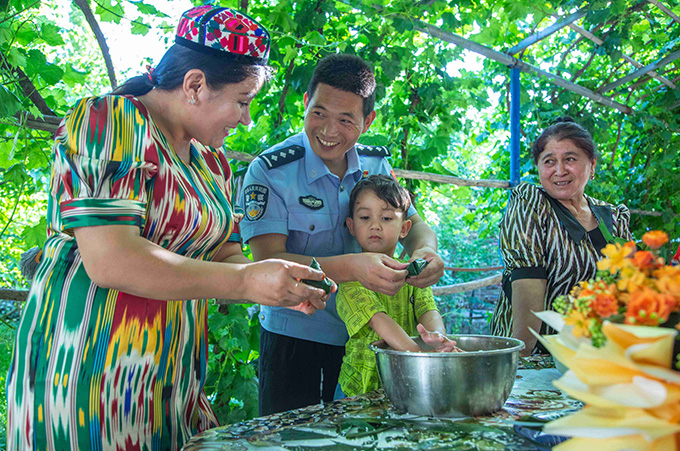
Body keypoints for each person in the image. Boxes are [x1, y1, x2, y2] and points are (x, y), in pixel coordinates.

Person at [6, 6, 331, 451]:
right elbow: (111, 259)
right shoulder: (111, 120)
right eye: (242, 100)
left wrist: (274, 279)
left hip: (172, 376)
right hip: (90, 374)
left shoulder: (210, 160)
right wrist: (242, 281)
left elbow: (221, 254)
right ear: (195, 84)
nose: (246, 119)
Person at [239, 54, 445, 416]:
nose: (329, 130)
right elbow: (267, 260)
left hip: (367, 341)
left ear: (368, 121)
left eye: (346, 119)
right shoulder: (270, 171)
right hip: (296, 335)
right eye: (318, 113)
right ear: (305, 102)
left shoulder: (377, 165)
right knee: (291, 437)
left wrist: (426, 252)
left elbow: (416, 226)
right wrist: (352, 267)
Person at [490, 117, 632, 356]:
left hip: (593, 354)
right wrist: (519, 364)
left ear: (592, 164)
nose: (559, 171)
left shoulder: (615, 217)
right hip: (535, 355)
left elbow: (627, 290)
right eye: (549, 161)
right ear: (538, 167)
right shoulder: (530, 203)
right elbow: (527, 284)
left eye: (570, 159)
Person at [336, 175, 458, 397]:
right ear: (351, 226)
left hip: (409, 378)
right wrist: (423, 357)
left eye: (386, 218)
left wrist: (439, 340)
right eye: (365, 217)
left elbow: (428, 310)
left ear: (405, 228)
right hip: (362, 388)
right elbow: (382, 323)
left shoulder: (412, 274)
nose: (375, 225)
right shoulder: (351, 281)